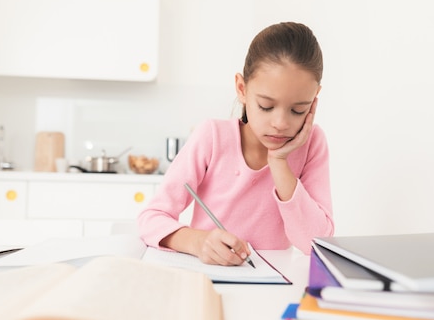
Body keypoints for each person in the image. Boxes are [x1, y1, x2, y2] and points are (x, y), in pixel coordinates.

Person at [138, 22, 334, 266]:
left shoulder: (312, 143)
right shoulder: (212, 136)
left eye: (298, 110)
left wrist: (280, 162)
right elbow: (151, 218)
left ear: (314, 100)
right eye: (266, 106)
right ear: (242, 89)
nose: (280, 123)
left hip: (277, 285)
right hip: (208, 279)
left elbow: (316, 243)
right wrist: (198, 242)